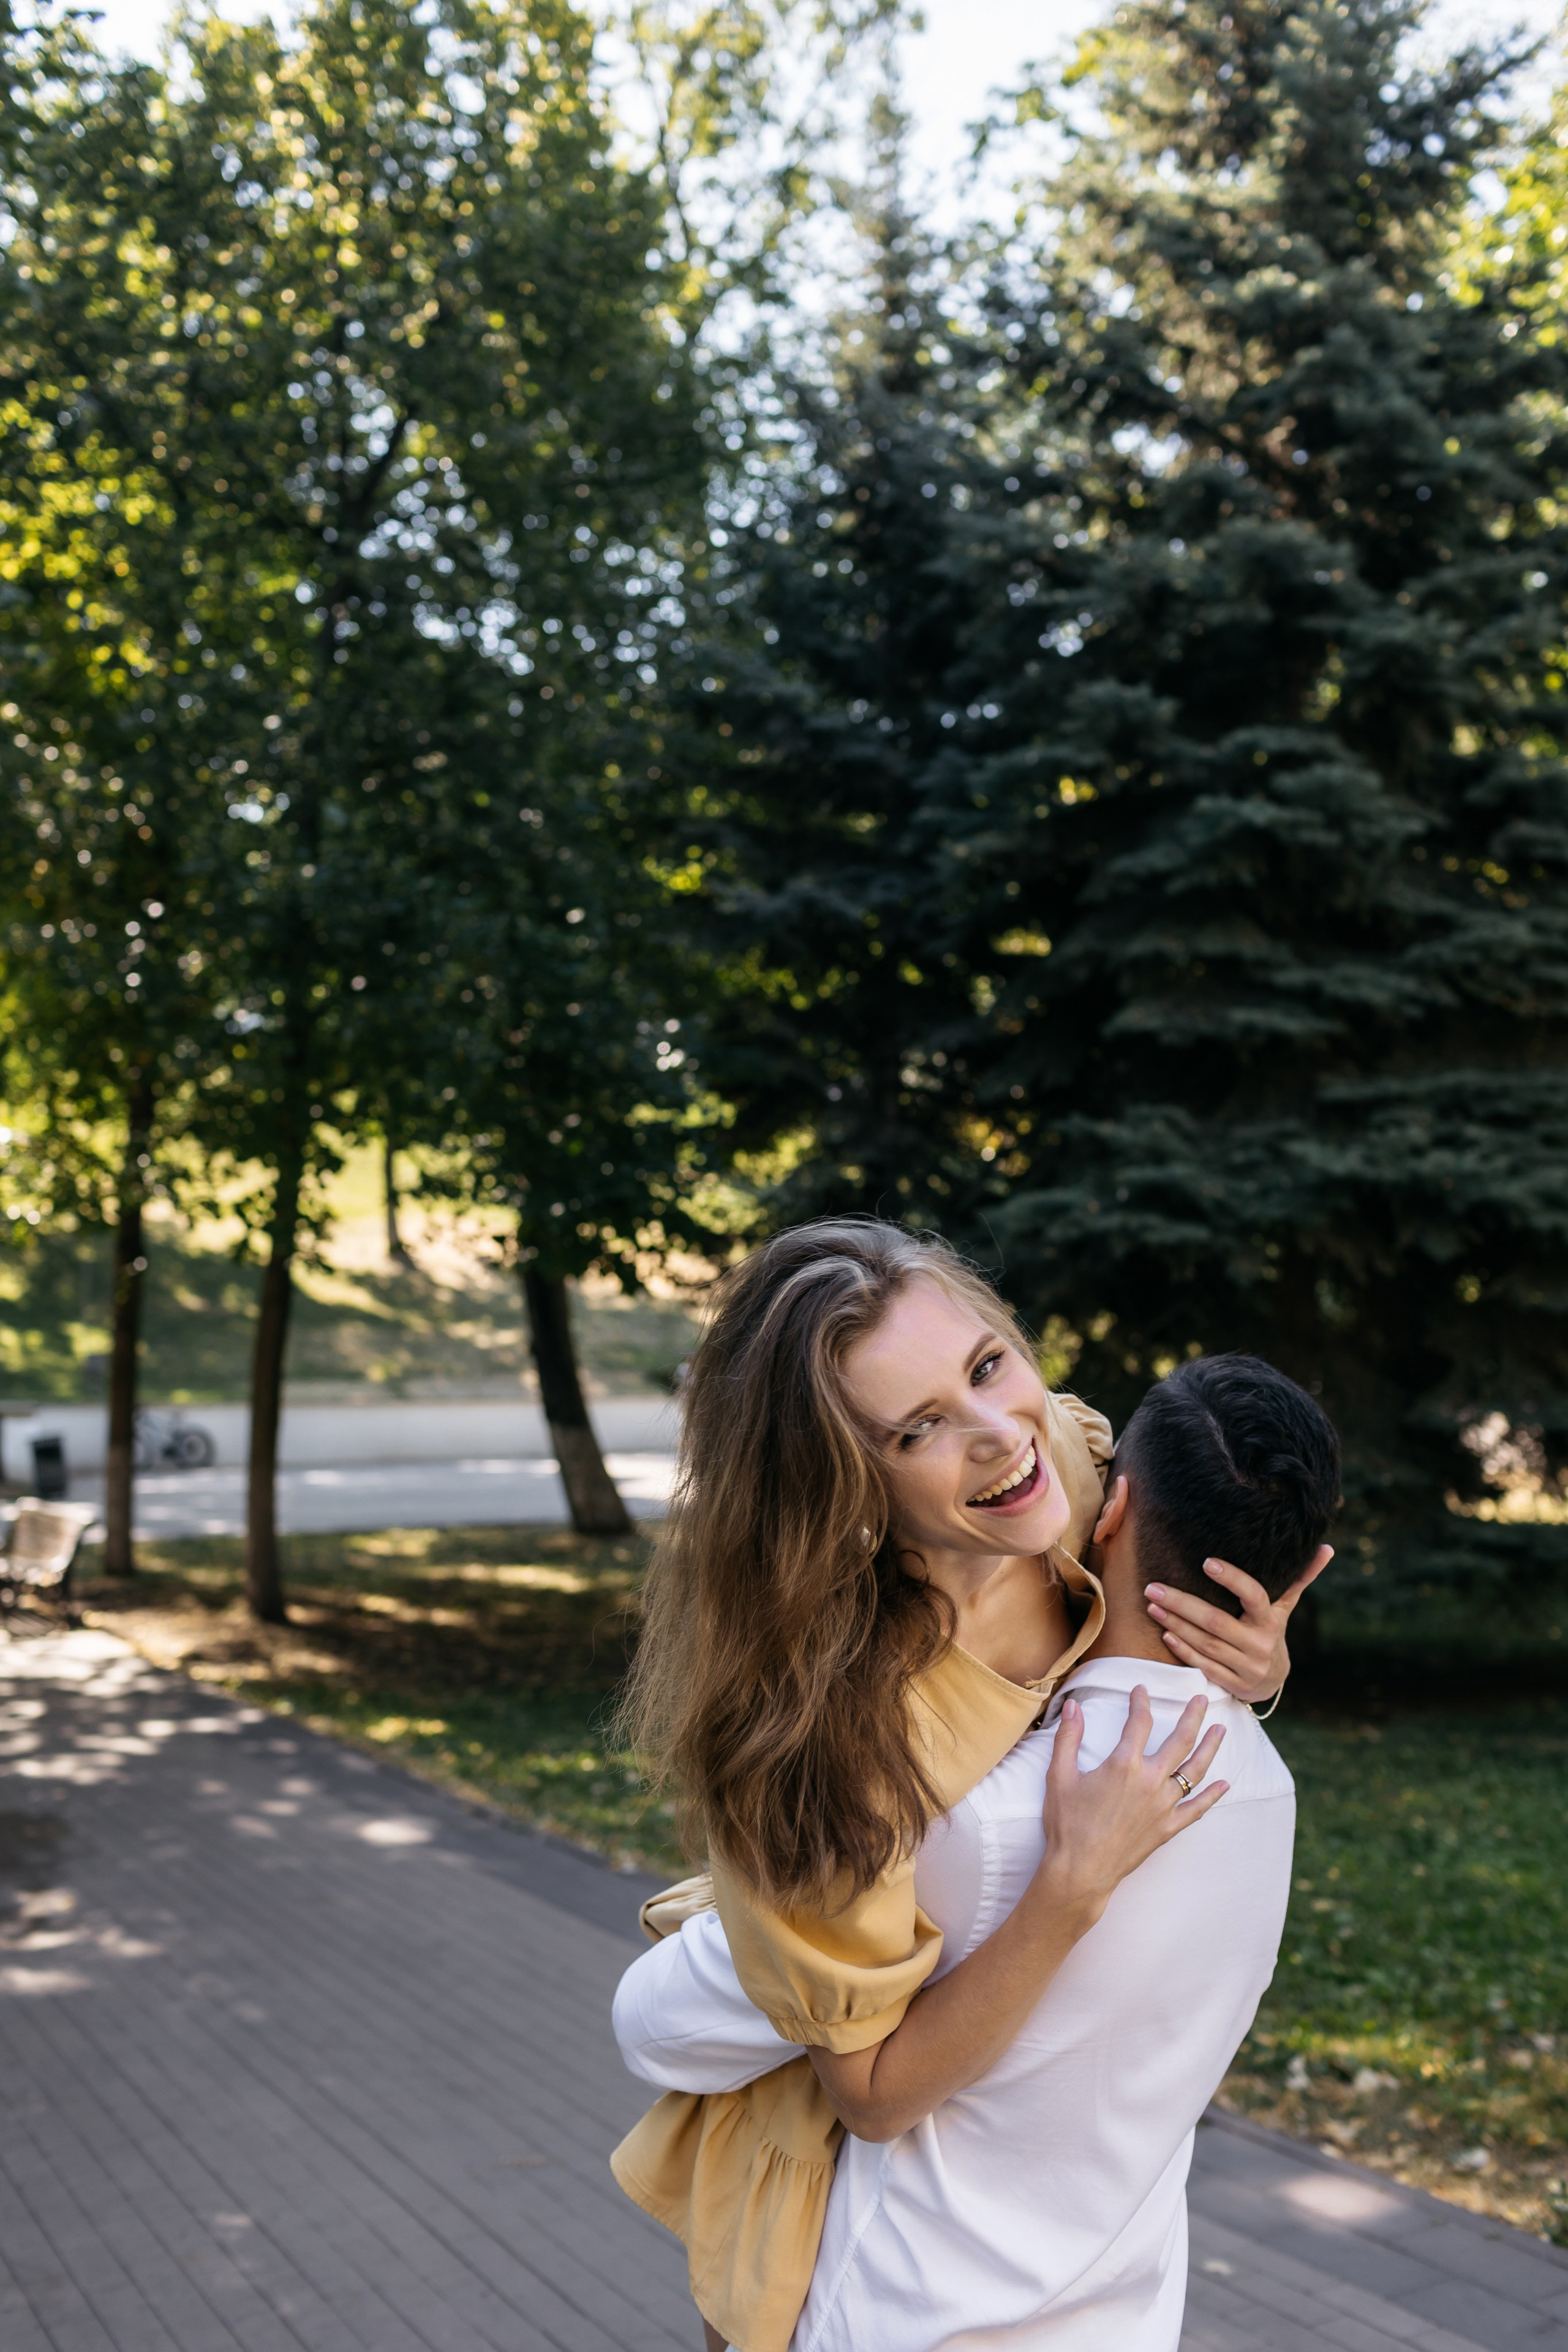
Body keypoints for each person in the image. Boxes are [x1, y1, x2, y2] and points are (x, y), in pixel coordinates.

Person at [610, 1221, 1329, 2352]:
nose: (1003, 1437)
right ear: (842, 1481)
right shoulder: (832, 1733)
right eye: (918, 1428)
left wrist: (1255, 1669)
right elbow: (874, 2098)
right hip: (813, 1947)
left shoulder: (1077, 1473)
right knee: (674, 2040)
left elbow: (1170, 1575)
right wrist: (1070, 1882)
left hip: (888, 1961)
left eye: (989, 1365)